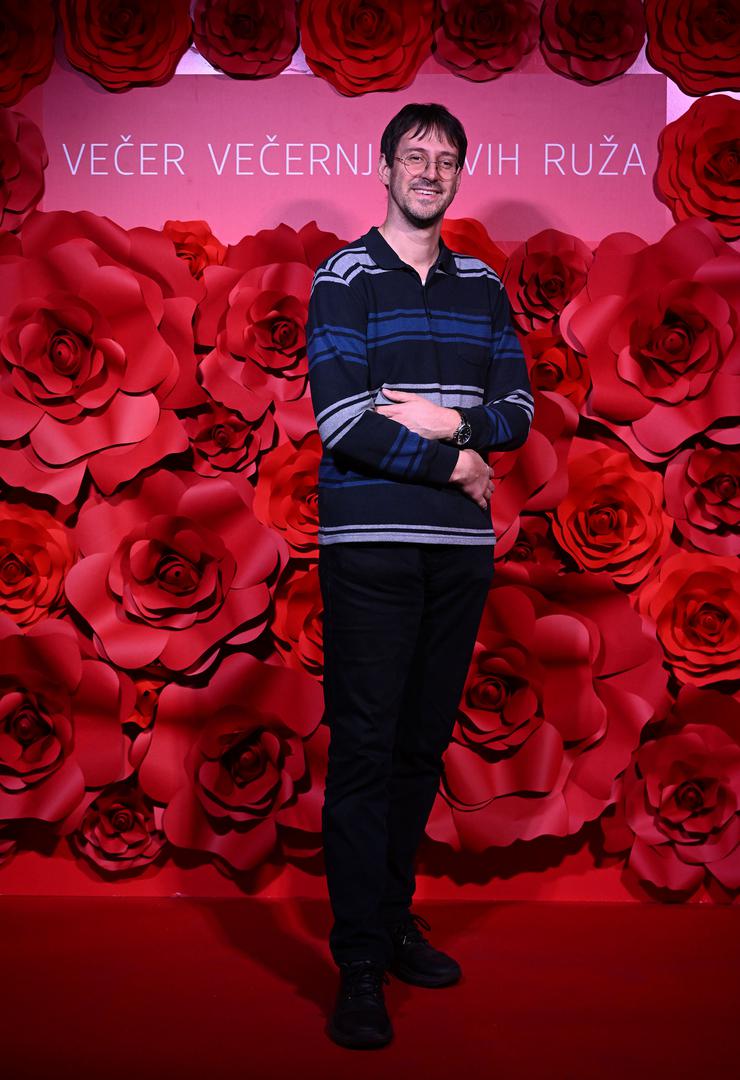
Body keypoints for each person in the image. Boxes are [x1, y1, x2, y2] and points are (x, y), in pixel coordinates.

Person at [306, 103, 533, 1050]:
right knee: (365, 749)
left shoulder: (484, 286)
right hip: (370, 551)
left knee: (417, 748)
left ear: (458, 174)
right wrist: (460, 466)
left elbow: (517, 407)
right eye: (415, 156)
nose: (429, 171)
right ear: (385, 167)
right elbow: (344, 423)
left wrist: (456, 427)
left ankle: (393, 919)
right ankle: (359, 960)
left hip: (458, 558)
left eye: (445, 159)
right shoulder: (344, 278)